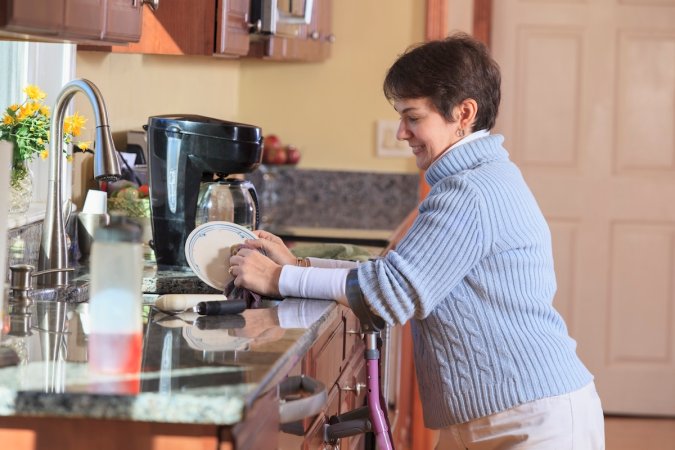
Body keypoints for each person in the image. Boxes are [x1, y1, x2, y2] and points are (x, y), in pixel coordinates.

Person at [228, 32, 605, 449]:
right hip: (498, 416)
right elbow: (395, 274)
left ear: (464, 113)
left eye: (413, 117)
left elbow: (390, 294)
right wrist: (298, 267)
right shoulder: (473, 180)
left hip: (530, 422)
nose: (401, 133)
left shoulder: (470, 191)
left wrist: (277, 280)